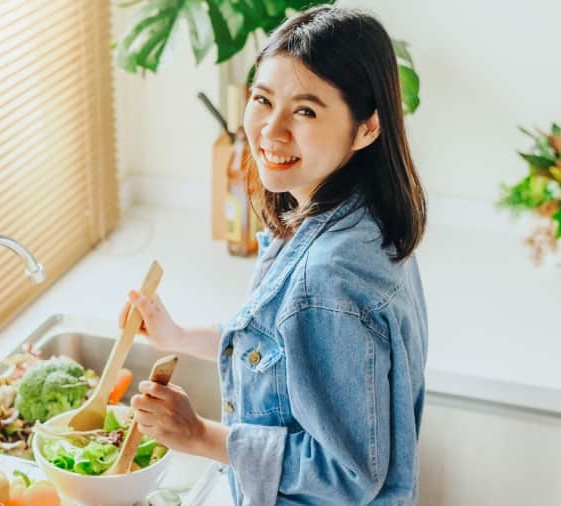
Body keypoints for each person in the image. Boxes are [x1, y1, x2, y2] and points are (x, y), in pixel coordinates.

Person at [119, 5, 429, 505]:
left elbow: (346, 474)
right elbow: (281, 359)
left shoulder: (326, 279)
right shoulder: (361, 216)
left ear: (367, 127)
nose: (271, 130)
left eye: (305, 110)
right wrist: (176, 337)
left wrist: (199, 435)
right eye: (263, 100)